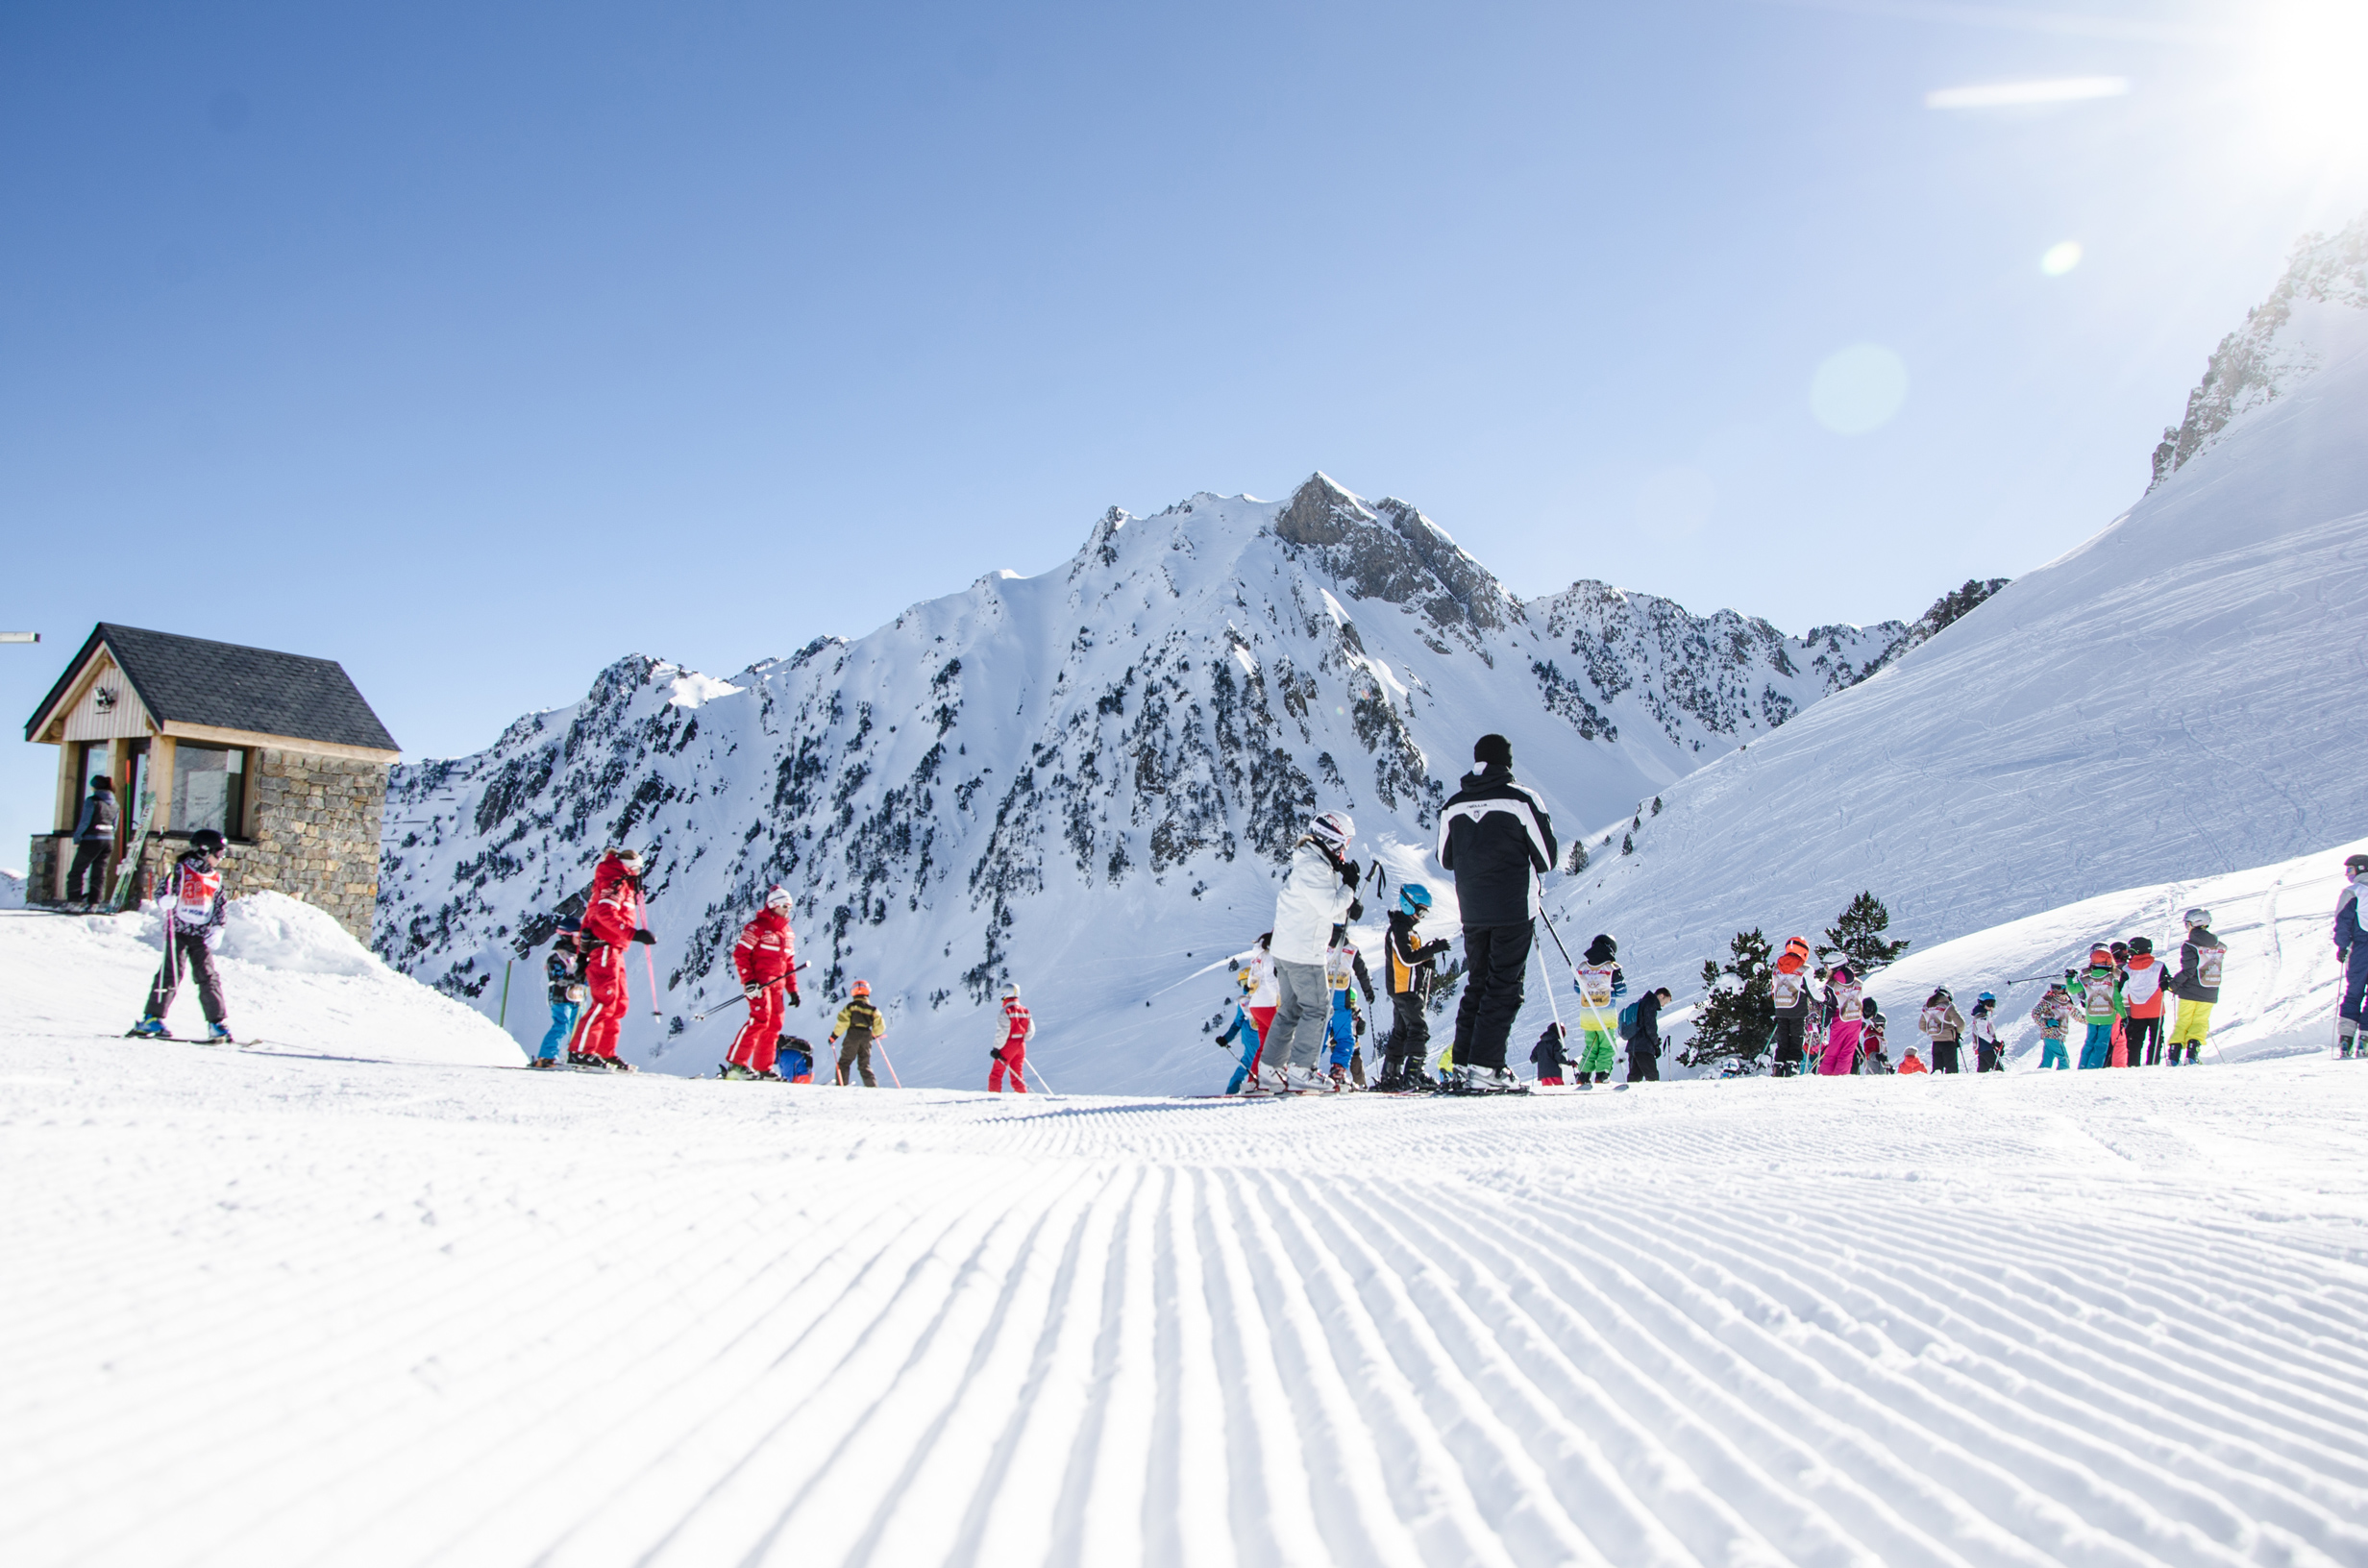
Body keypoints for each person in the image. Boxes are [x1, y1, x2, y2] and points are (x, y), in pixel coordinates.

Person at [1437, 734, 1557, 1094]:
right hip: (1512, 906)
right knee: (1504, 986)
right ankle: (1487, 1067)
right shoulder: (1522, 799)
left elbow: (1445, 858)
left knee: (1478, 982)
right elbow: (1546, 858)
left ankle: (1462, 1064)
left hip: (1472, 909)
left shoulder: (1453, 805)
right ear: (1506, 762)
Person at [1266, 813, 1363, 1093]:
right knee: (1318, 1008)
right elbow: (1329, 907)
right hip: (1303, 953)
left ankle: (1271, 1071)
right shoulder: (1314, 867)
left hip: (1288, 949)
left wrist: (1346, 899)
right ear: (1332, 839)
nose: (1345, 851)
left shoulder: (1312, 863)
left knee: (1291, 1010)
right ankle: (1301, 1070)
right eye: (1344, 844)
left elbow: (1323, 906)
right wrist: (1350, 888)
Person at [130, 829, 233, 1042]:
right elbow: (163, 890)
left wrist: (218, 927)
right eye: (219, 853)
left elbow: (219, 905)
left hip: (200, 934)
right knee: (171, 973)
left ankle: (216, 1023)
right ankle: (152, 1018)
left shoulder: (215, 878)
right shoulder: (181, 870)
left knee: (208, 976)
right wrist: (163, 900)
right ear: (204, 851)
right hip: (177, 931)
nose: (221, 858)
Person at [569, 846, 653, 1070]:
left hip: (614, 948)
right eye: (636, 868)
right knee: (605, 1000)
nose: (638, 873)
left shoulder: (622, 883)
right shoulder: (613, 882)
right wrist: (633, 933)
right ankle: (580, 1052)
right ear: (628, 867)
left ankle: (604, 1051)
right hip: (604, 947)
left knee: (618, 1003)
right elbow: (604, 914)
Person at [1376, 885, 1451, 1090]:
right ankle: (1413, 1073)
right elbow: (1407, 958)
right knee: (1418, 1029)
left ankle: (1391, 1075)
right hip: (1405, 988)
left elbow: (1410, 959)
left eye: (1425, 912)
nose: (1422, 916)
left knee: (1401, 1031)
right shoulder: (1398, 929)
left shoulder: (1405, 929)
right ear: (1408, 905)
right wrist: (1431, 950)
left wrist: (1426, 959)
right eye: (1420, 911)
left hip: (1403, 987)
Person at [723, 886, 800, 1080]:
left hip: (777, 985)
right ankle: (736, 1065)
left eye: (790, 906)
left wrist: (793, 990)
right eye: (784, 905)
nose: (787, 909)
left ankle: (763, 1067)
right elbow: (741, 954)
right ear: (773, 905)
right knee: (760, 1019)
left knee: (774, 1024)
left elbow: (789, 963)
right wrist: (749, 981)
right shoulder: (756, 927)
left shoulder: (788, 933)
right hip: (759, 984)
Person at [2166, 909, 2225, 1066]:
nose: (2187, 927)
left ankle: (2173, 1056)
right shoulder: (2218, 944)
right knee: (2200, 1021)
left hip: (2190, 991)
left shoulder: (2189, 945)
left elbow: (2189, 970)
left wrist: (2173, 985)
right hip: (2210, 989)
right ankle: (2192, 1055)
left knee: (2183, 1021)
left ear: (2194, 924)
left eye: (2188, 924)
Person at [531, 916, 589, 1070]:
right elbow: (558, 975)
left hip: (577, 997)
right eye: (578, 936)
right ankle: (547, 1056)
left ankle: (576, 1055)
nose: (581, 939)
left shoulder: (578, 956)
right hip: (560, 996)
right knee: (561, 1025)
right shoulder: (557, 955)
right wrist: (579, 977)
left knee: (578, 1027)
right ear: (567, 936)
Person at [1324, 930, 1375, 1089]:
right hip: (1341, 1000)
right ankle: (1338, 1071)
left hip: (1321, 998)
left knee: (1316, 1037)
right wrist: (1368, 991)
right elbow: (1361, 971)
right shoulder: (1351, 947)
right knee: (1345, 1038)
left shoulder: (1318, 939)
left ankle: (1304, 1069)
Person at [1572, 934, 1625, 1086]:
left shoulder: (1582, 968)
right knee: (1607, 1044)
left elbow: (1578, 989)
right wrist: (1609, 993)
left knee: (1592, 1044)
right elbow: (1622, 990)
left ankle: (1583, 1074)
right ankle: (1602, 1074)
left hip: (1587, 1014)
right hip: (1606, 1013)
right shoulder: (1612, 968)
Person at [65, 773, 118, 908]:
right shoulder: (115, 804)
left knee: (77, 871)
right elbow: (115, 825)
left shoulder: (92, 801)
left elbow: (85, 821)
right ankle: (94, 903)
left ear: (96, 787)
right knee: (99, 873)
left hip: (92, 840)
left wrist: (77, 837)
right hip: (108, 841)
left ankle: (74, 901)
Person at [2336, 855, 2368, 1058]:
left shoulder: (2352, 892)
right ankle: (2365, 1038)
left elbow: (2342, 921)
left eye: (2350, 870)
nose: (2348, 875)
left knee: (2354, 991)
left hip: (2360, 949)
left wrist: (2342, 946)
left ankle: (2346, 1038)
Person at [2120, 937, 2169, 1066]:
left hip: (2137, 1010)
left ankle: (2133, 1064)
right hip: (2156, 1009)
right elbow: (2166, 984)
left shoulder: (2127, 969)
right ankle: (2153, 1063)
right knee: (2156, 1037)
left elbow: (2123, 991)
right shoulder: (2159, 966)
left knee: (2136, 1038)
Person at [2072, 946, 2123, 1069]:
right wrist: (2124, 1015)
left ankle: (2083, 1066)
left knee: (2089, 1042)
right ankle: (2094, 1067)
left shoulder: (2086, 978)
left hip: (2092, 1015)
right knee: (2101, 1044)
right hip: (2107, 1016)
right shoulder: (2113, 979)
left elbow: (2074, 990)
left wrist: (2069, 978)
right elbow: (2117, 999)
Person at [830, 980, 887, 1087]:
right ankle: (872, 1087)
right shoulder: (873, 1009)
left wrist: (834, 1036)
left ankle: (841, 1085)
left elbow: (843, 1022)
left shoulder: (851, 1007)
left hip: (853, 1034)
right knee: (864, 1064)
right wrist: (875, 1035)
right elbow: (880, 1025)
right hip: (867, 1036)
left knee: (845, 1062)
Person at [1770, 937, 1813, 1077]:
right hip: (1797, 1008)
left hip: (1781, 1007)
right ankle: (1792, 1065)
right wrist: (1825, 999)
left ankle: (1778, 1065)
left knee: (1782, 1039)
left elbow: (1773, 988)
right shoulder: (1805, 968)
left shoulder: (1777, 966)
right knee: (1796, 1038)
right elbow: (1813, 991)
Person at [1219, 969, 1265, 1094]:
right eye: (1242, 982)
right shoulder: (1246, 1000)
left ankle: (1235, 1092)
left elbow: (1238, 1023)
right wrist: (1226, 1039)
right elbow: (1238, 1022)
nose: (1245, 985)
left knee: (1249, 1066)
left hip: (1254, 1037)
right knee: (1251, 1066)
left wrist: (1226, 1038)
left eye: (1246, 981)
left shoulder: (1247, 1000)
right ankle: (1234, 1092)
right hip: (1255, 1038)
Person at [1819, 963, 1863, 1075]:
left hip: (1840, 1019)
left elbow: (1830, 1007)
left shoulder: (1831, 985)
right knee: (1847, 1051)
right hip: (1855, 1018)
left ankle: (1825, 1076)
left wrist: (1823, 1024)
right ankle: (1841, 1076)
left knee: (1833, 1051)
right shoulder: (1858, 982)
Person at [990, 980, 1032, 1092]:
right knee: (1017, 1074)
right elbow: (1030, 1032)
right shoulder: (1025, 1011)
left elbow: (1003, 1032)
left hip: (1008, 1044)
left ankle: (993, 1097)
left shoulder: (1005, 1011)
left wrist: (996, 1048)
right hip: (1021, 1045)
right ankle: (1022, 1097)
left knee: (996, 1074)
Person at [1626, 986, 1670, 1082]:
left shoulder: (1641, 1002)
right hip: (1643, 1046)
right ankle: (1654, 1096)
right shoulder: (1650, 1004)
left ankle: (1630, 1095)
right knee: (1652, 1076)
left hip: (1633, 1045)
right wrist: (1656, 1044)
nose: (1663, 1005)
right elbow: (1650, 1027)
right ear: (1661, 996)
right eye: (1665, 1002)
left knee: (1634, 1076)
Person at [2031, 981, 2079, 1069]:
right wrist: (2045, 1023)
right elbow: (2035, 1013)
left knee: (2047, 1061)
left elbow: (2077, 1015)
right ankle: (2062, 1077)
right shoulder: (2048, 1000)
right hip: (2052, 1034)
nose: (2055, 990)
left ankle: (2038, 1078)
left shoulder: (2067, 1002)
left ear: (2064, 988)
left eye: (2058, 987)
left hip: (2058, 1034)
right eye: (2053, 987)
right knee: (2064, 1059)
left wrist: (2090, 1021)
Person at [1918, 988, 1967, 1073]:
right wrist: (1956, 1032)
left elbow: (1921, 1026)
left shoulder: (1928, 1007)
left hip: (1935, 1042)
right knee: (1951, 1069)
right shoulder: (1948, 1006)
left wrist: (1932, 1032)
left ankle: (1936, 1085)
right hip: (1948, 1042)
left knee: (1937, 1070)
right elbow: (1961, 1024)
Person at [1968, 992, 2005, 1072]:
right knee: (1999, 1070)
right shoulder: (1982, 1016)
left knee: (1983, 1070)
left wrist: (1996, 1046)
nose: (1991, 1007)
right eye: (1989, 1004)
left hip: (1984, 1047)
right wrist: (1995, 1043)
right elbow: (1982, 1033)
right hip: (1985, 1047)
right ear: (1981, 1003)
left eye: (1993, 1004)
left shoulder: (1984, 1015)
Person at [1530, 1021, 1571, 1086]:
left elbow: (1533, 1058)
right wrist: (1568, 1062)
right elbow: (1558, 1056)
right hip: (1554, 1072)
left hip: (1543, 1074)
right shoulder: (1556, 1042)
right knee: (1560, 1089)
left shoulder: (1539, 1044)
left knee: (1547, 1091)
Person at [1859, 999, 1891, 1072]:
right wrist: (1877, 1056)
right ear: (1873, 1025)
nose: (1880, 1028)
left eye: (1882, 1025)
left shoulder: (1880, 1036)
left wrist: (1889, 1066)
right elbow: (1868, 1052)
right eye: (1877, 1025)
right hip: (1873, 1069)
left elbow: (1883, 1053)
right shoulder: (1871, 1037)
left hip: (1881, 1068)